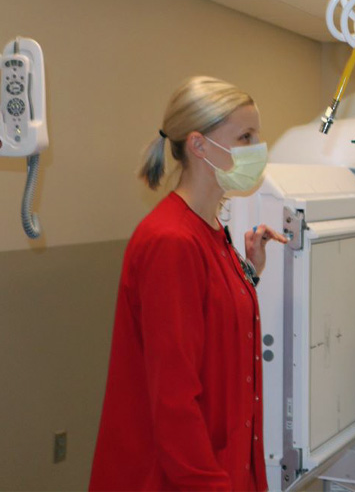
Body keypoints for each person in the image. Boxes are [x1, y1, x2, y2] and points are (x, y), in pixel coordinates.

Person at [90, 76, 287, 491]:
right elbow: (173, 398)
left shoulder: (211, 229)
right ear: (199, 146)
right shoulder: (171, 241)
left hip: (223, 463)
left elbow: (209, 329)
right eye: (245, 136)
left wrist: (247, 273)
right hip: (178, 477)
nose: (257, 148)